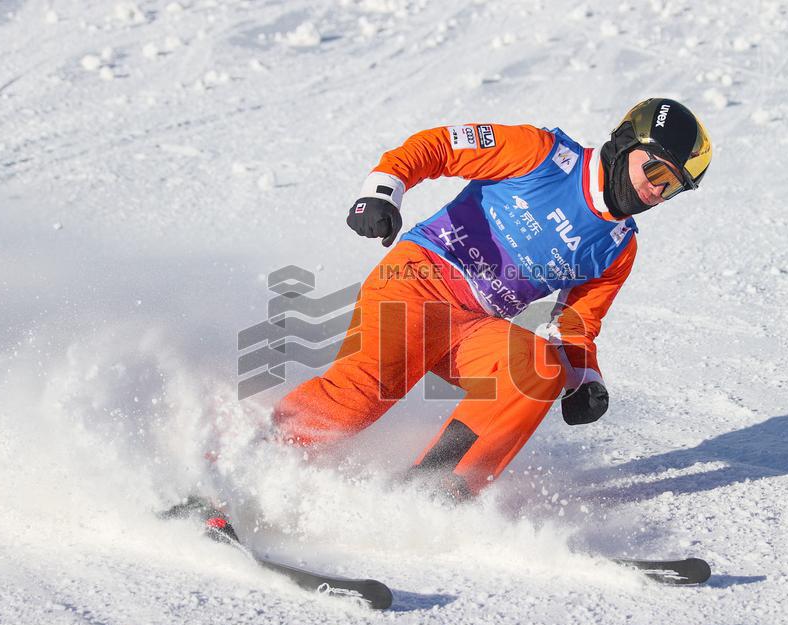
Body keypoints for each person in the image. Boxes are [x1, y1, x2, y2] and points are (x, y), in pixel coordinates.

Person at [272, 98, 712, 499]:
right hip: (419, 280)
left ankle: (432, 490)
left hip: (473, 325)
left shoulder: (617, 245)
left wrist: (585, 379)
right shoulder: (542, 154)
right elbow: (440, 146)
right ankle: (251, 459)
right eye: (655, 173)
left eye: (671, 188)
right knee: (362, 397)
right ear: (625, 143)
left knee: (539, 367)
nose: (656, 193)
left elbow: (576, 324)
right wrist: (383, 190)